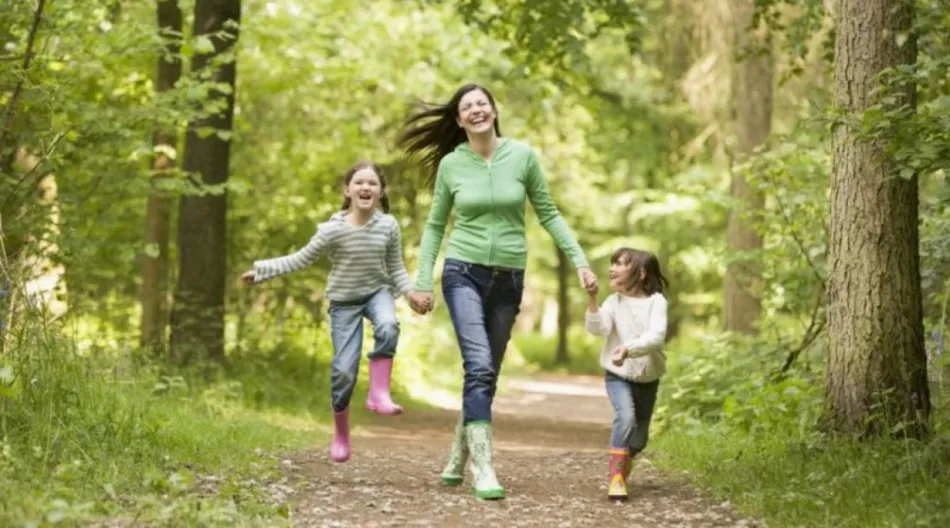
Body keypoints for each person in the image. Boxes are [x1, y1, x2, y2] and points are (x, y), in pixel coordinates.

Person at [397, 83, 598, 500]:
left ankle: (458, 453)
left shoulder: (522, 156)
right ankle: (484, 468)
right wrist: (421, 281)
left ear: (494, 110)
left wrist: (579, 260)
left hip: (509, 278)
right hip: (462, 272)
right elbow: (436, 225)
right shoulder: (453, 164)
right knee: (480, 366)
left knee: (485, 375)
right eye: (466, 107)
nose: (475, 111)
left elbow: (548, 212)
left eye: (481, 104)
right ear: (458, 120)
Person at [240, 161, 429, 463]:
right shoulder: (332, 230)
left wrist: (410, 295)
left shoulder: (388, 226)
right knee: (343, 370)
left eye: (372, 183)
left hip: (377, 293)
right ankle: (341, 432)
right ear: (347, 190)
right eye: (359, 182)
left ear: (380, 191)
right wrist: (262, 271)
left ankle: (378, 393)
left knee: (389, 325)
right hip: (344, 302)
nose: (365, 187)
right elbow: (300, 259)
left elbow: (395, 268)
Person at [584, 247, 669, 502]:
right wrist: (592, 300)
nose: (612, 268)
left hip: (648, 377)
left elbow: (656, 337)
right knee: (626, 418)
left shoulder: (657, 302)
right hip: (617, 374)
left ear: (641, 273)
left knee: (640, 438)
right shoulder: (613, 302)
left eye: (620, 264)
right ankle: (616, 478)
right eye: (612, 263)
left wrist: (629, 348)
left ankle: (623, 459)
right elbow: (598, 329)